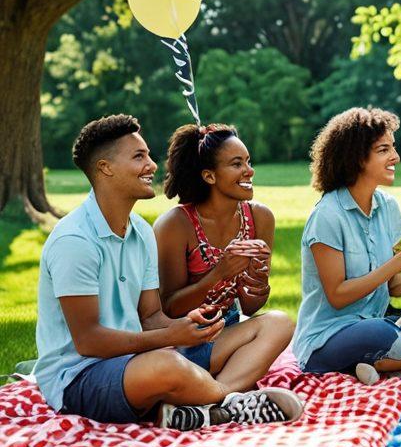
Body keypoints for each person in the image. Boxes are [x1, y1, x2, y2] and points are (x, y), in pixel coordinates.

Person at [33, 115, 303, 430]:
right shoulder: (74, 241)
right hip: (80, 378)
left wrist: (189, 325)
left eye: (148, 155)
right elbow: (89, 342)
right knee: (167, 364)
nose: (152, 165)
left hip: (139, 361)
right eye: (139, 157)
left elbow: (151, 317)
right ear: (106, 167)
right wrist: (172, 336)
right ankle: (229, 402)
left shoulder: (141, 233)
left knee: (276, 323)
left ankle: (208, 409)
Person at [291, 108, 401, 385]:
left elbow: (391, 287)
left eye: (393, 148)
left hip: (377, 322)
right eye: (384, 150)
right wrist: (397, 262)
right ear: (357, 158)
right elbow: (337, 295)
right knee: (378, 333)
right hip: (327, 339)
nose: (395, 157)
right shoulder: (327, 216)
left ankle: (374, 362)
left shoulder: (388, 208)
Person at [154, 123, 294, 381]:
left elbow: (251, 308)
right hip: (185, 343)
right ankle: (225, 391)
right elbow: (168, 308)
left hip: (230, 333)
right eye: (237, 164)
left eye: (248, 162)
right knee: (278, 325)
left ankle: (218, 395)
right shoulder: (174, 225)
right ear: (209, 176)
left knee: (281, 322)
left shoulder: (260, 217)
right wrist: (219, 273)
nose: (249, 171)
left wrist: (257, 280)